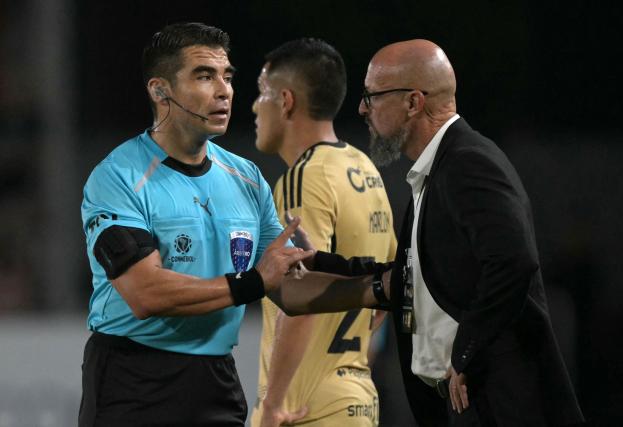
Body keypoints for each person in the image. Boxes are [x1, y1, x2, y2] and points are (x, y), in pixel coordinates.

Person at [273, 39, 586, 426]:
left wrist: (465, 351)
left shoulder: (467, 162)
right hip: (465, 402)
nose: (361, 108)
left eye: (371, 95)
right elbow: (414, 279)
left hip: (495, 403)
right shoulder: (438, 168)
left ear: (412, 102)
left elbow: (514, 261)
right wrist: (317, 261)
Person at [78, 22, 311, 427]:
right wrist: (253, 283)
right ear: (160, 90)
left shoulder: (246, 177)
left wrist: (376, 285)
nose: (224, 90)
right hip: (133, 381)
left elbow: (288, 285)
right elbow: (145, 293)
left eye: (227, 77)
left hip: (216, 379)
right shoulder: (117, 176)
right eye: (204, 76)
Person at [250, 38, 397, 427]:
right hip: (355, 396)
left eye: (261, 93)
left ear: (285, 101)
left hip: (303, 407)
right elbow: (389, 284)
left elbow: (302, 295)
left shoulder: (305, 177)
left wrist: (274, 403)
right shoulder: (365, 170)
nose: (254, 106)